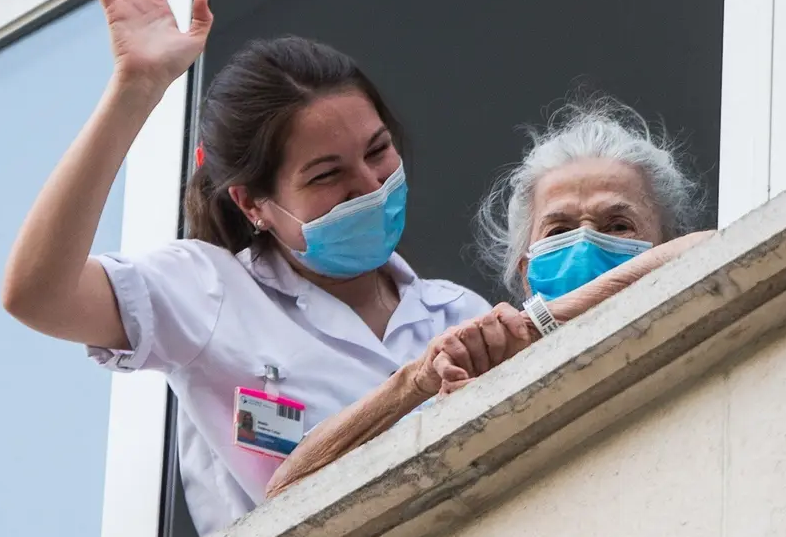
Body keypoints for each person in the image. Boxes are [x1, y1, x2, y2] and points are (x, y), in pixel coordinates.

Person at [0, 0, 508, 537]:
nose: (370, 185)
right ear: (254, 204)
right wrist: (135, 91)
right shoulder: (209, 293)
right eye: (327, 175)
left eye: (378, 151)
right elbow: (36, 292)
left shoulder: (456, 314)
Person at [265, 97, 716, 497]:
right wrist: (418, 378)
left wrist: (542, 321)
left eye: (618, 225)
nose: (584, 243)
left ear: (662, 244)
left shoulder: (705, 325)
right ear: (525, 272)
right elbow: (286, 488)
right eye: (558, 230)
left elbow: (709, 248)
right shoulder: (486, 377)